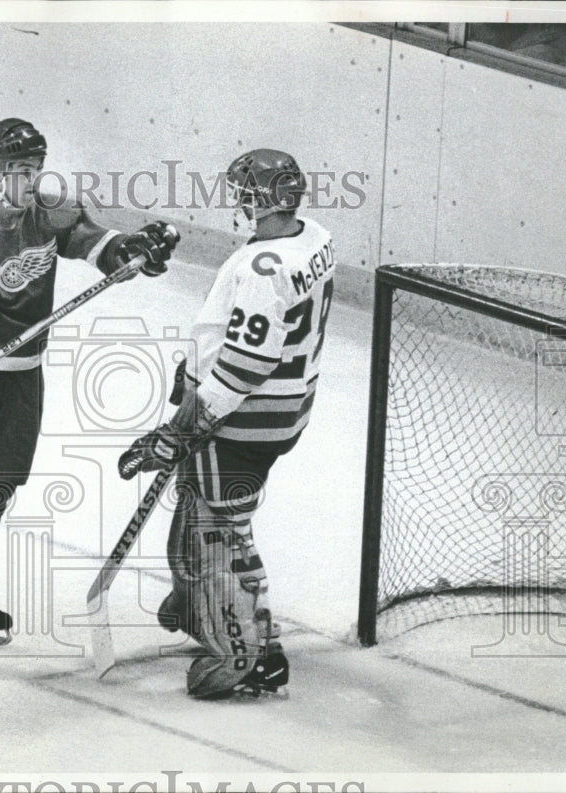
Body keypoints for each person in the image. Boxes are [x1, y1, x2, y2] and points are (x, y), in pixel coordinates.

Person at [0, 118, 178, 668]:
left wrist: (133, 249)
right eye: (16, 170)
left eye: (33, 169)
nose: (28, 180)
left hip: (23, 379)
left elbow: (97, 244)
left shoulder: (48, 214)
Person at [119, 148, 335, 698]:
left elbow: (246, 363)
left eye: (243, 192)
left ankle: (247, 651)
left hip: (245, 418)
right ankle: (201, 605)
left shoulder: (262, 268)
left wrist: (182, 427)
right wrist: (194, 366)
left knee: (221, 531)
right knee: (201, 510)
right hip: (287, 406)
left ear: (261, 200)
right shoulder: (314, 237)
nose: (236, 202)